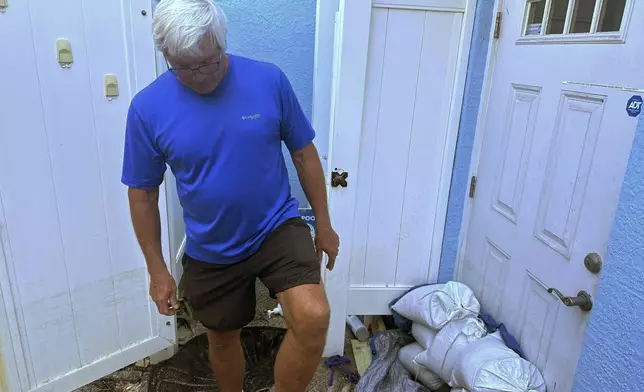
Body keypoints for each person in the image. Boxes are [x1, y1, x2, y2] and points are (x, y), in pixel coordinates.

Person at [121, 1, 339, 391]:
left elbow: (304, 154)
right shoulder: (146, 109)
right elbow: (142, 195)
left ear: (222, 43)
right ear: (166, 56)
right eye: (184, 68)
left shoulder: (268, 80)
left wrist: (324, 224)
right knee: (222, 336)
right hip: (212, 245)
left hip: (276, 227)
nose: (200, 76)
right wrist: (157, 270)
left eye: (209, 62)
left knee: (313, 317)